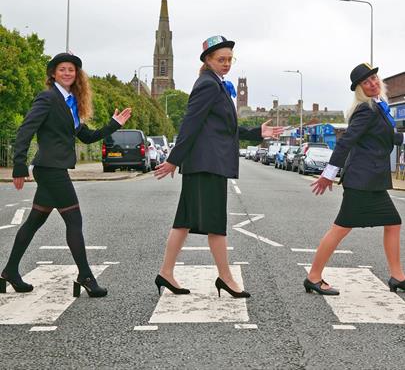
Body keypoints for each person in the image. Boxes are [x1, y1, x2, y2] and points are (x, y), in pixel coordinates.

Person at [154, 36, 282, 298]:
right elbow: (191, 124)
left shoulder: (216, 85)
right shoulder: (208, 86)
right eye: (220, 60)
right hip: (207, 165)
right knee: (216, 224)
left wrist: (258, 131)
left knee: (184, 221)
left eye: (229, 60)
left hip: (204, 164)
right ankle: (225, 277)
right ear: (208, 60)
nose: (226, 64)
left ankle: (166, 272)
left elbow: (225, 126)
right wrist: (173, 160)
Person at [0, 53, 132, 298]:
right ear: (53, 74)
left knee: (34, 222)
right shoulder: (48, 98)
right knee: (74, 221)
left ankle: (9, 271)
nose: (68, 73)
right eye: (62, 69)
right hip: (51, 170)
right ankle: (86, 276)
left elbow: (87, 136)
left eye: (71, 70)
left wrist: (114, 123)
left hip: (53, 168)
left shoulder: (70, 102)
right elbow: (25, 130)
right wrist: (18, 165)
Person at [305, 63, 405, 296]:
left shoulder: (379, 108)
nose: (372, 83)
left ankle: (398, 276)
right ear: (359, 88)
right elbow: (346, 141)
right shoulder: (366, 109)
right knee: (340, 228)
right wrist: (328, 174)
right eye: (366, 82)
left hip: (371, 181)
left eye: (374, 78)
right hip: (362, 181)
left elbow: (386, 137)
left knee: (393, 222)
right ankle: (313, 276)